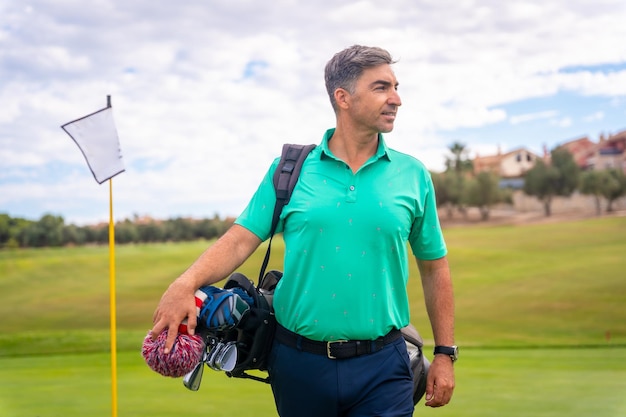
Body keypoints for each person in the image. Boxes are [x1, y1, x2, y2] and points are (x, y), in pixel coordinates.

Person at [151, 44, 456, 416]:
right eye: (382, 87)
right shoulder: (290, 169)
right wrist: (183, 284)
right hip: (298, 363)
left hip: (384, 365)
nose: (397, 99)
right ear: (343, 97)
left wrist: (444, 353)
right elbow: (239, 239)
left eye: (395, 86)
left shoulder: (412, 174)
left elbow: (434, 266)